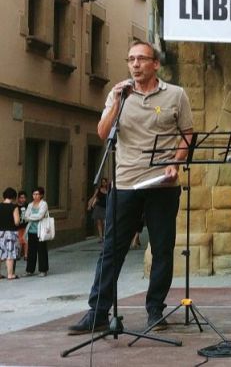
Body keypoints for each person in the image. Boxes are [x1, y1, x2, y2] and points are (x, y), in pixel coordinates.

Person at [68, 41, 194, 335]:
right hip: (125, 184)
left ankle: (155, 311)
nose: (135, 64)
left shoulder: (176, 95)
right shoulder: (119, 94)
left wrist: (176, 161)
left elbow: (187, 133)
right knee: (112, 250)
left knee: (163, 249)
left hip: (163, 185)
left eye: (141, 59)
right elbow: (102, 133)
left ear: (155, 64)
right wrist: (116, 101)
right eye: (131, 60)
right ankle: (98, 312)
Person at [23, 187, 49, 277]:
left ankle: (43, 270)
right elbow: (26, 216)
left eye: (37, 194)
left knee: (42, 250)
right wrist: (32, 217)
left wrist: (31, 217)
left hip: (40, 230)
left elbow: (40, 216)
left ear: (41, 195)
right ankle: (30, 270)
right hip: (31, 230)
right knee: (31, 251)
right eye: (34, 194)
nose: (35, 196)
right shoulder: (30, 205)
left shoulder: (44, 204)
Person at [0, 188, 21, 279]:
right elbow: (16, 221)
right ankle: (10, 274)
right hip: (10, 232)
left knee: (0, 252)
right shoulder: (14, 207)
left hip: (0, 232)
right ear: (13, 197)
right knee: (10, 253)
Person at [87, 178, 110, 243]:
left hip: (105, 208)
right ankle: (100, 237)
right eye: (102, 182)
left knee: (105, 223)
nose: (103, 183)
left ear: (106, 183)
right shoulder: (98, 189)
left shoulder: (108, 190)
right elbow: (94, 197)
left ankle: (105, 236)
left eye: (104, 182)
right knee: (99, 223)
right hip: (98, 207)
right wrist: (89, 205)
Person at [15, 191, 28, 262]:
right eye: (21, 198)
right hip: (18, 226)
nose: (23, 199)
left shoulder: (27, 206)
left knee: (26, 240)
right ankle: (18, 254)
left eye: (24, 198)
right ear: (18, 198)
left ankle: (26, 255)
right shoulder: (15, 206)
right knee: (19, 240)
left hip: (26, 225)